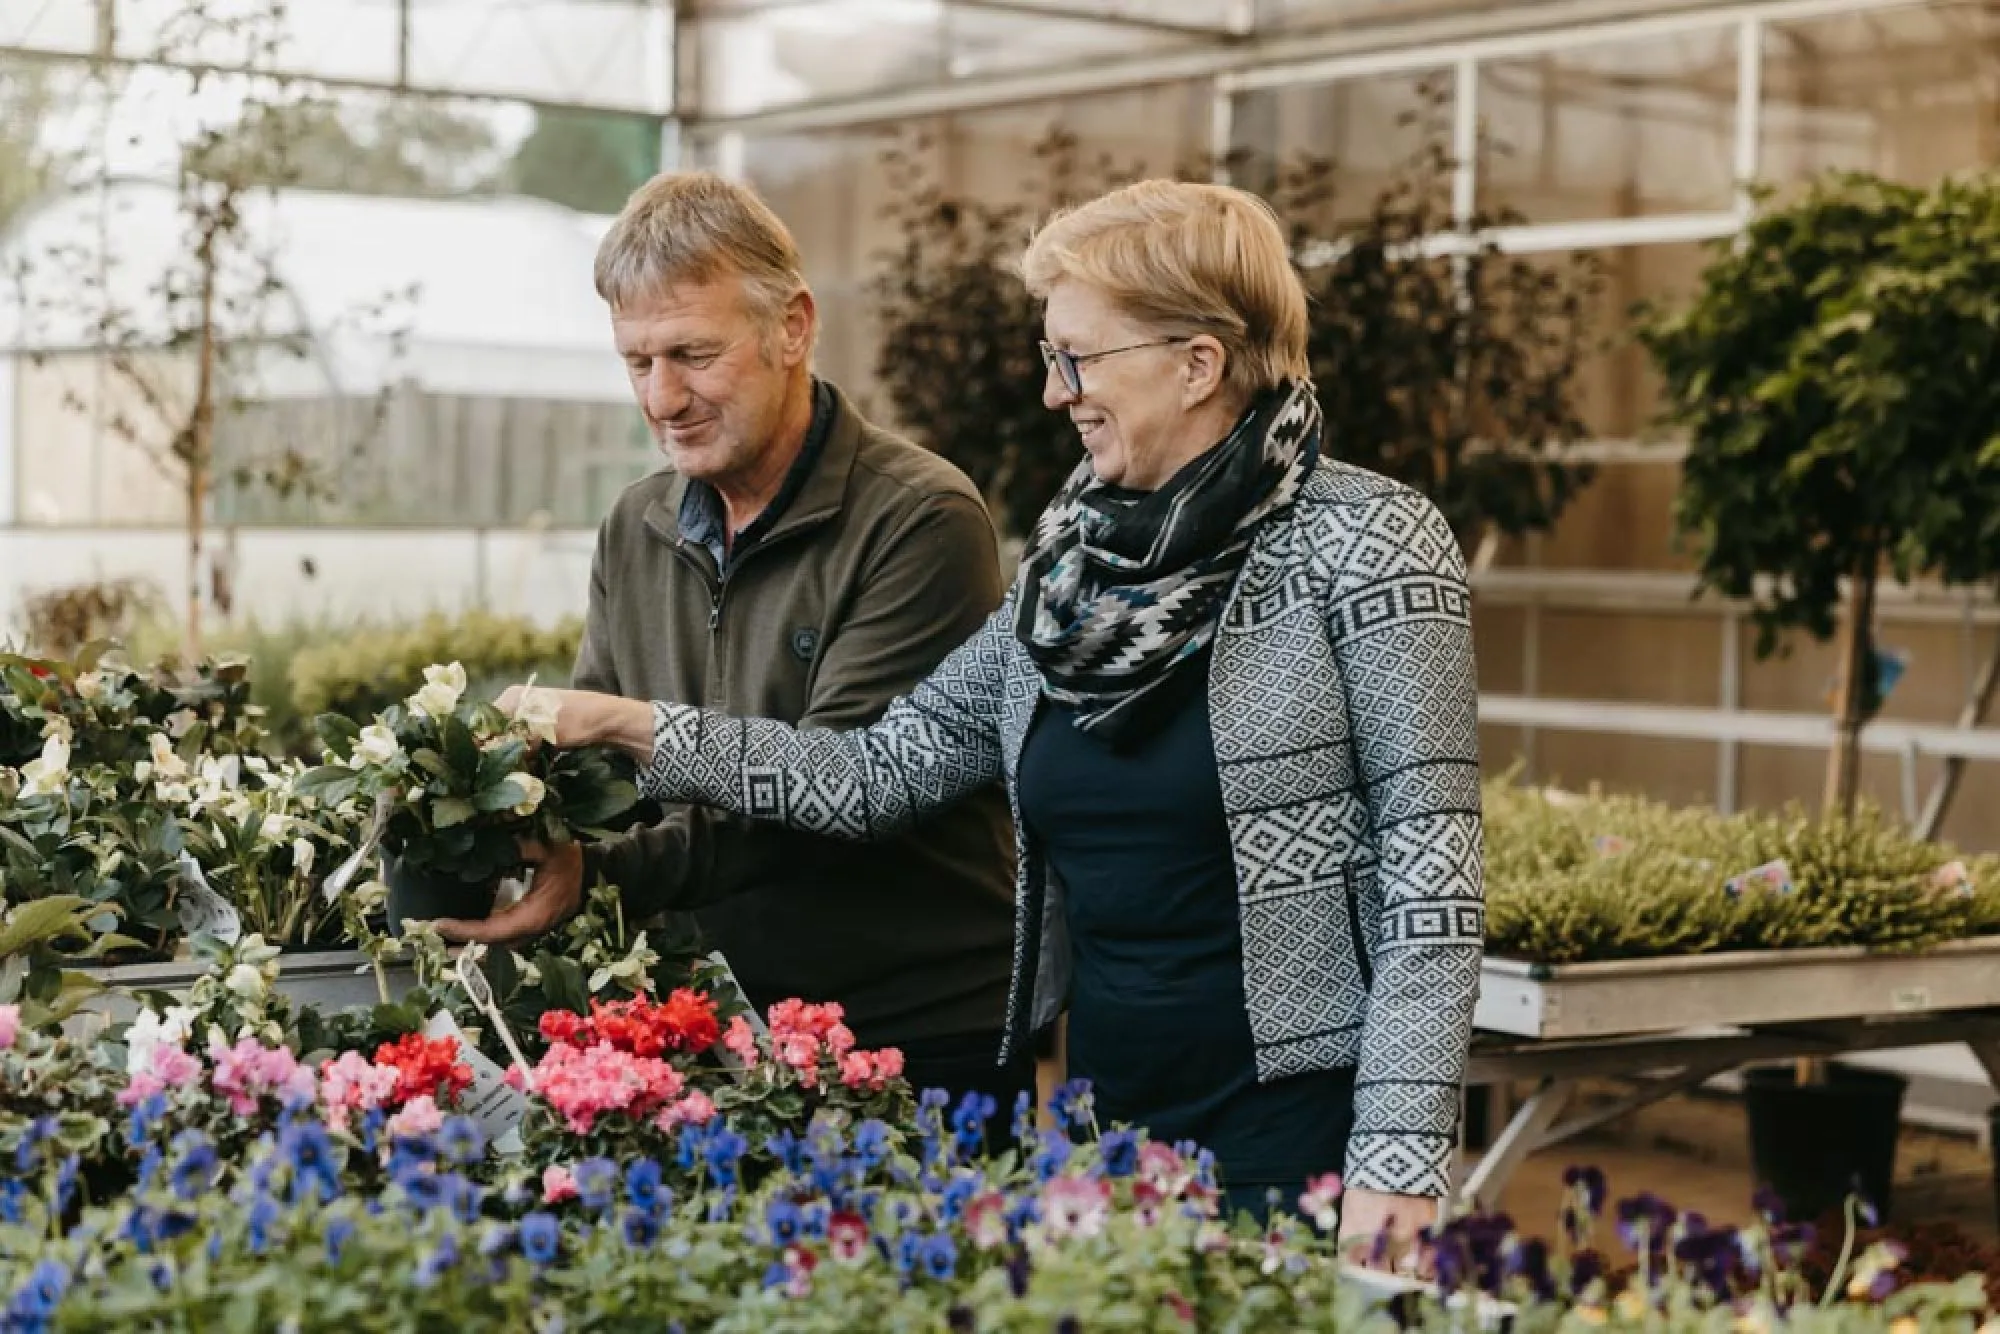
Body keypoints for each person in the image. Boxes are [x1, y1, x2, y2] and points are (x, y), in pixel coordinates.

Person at [495, 179, 1484, 1253]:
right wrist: (638, 729)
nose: (1055, 393)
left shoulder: (1368, 542)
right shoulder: (1073, 571)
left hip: (1299, 1121)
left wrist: (1399, 1148)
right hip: (1109, 1115)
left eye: (1078, 358)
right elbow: (873, 773)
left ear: (1196, 363)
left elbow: (1430, 869)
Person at [434, 171, 1033, 1115]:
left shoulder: (920, 520)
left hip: (912, 1035)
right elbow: (605, 790)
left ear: (793, 327)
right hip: (716, 1029)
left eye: (693, 354)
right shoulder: (638, 526)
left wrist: (624, 764)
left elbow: (844, 792)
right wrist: (521, 823)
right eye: (638, 362)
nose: (663, 398)